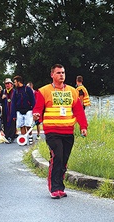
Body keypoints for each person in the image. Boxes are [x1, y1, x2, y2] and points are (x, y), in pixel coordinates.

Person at [32, 64, 88, 199]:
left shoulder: (72, 91)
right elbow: (38, 108)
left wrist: (83, 126)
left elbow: (79, 111)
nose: (61, 75)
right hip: (52, 131)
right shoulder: (44, 91)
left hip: (68, 131)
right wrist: (36, 115)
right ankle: (54, 188)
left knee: (64, 160)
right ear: (52, 75)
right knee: (57, 157)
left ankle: (60, 187)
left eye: (63, 72)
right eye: (58, 73)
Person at [13, 75, 35, 145]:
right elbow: (14, 102)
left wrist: (34, 110)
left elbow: (33, 99)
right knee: (21, 125)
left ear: (19, 82)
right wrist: (14, 113)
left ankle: (30, 138)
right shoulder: (16, 91)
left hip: (28, 109)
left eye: (15, 82)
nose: (14, 84)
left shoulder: (27, 89)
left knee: (28, 125)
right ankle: (24, 139)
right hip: (19, 110)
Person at [1, 78, 16, 143]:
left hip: (12, 110)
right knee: (5, 123)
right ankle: (6, 136)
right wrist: (2, 98)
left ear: (11, 84)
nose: (7, 85)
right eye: (6, 84)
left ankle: (12, 137)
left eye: (8, 83)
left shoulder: (14, 91)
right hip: (5, 111)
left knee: (12, 124)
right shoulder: (3, 91)